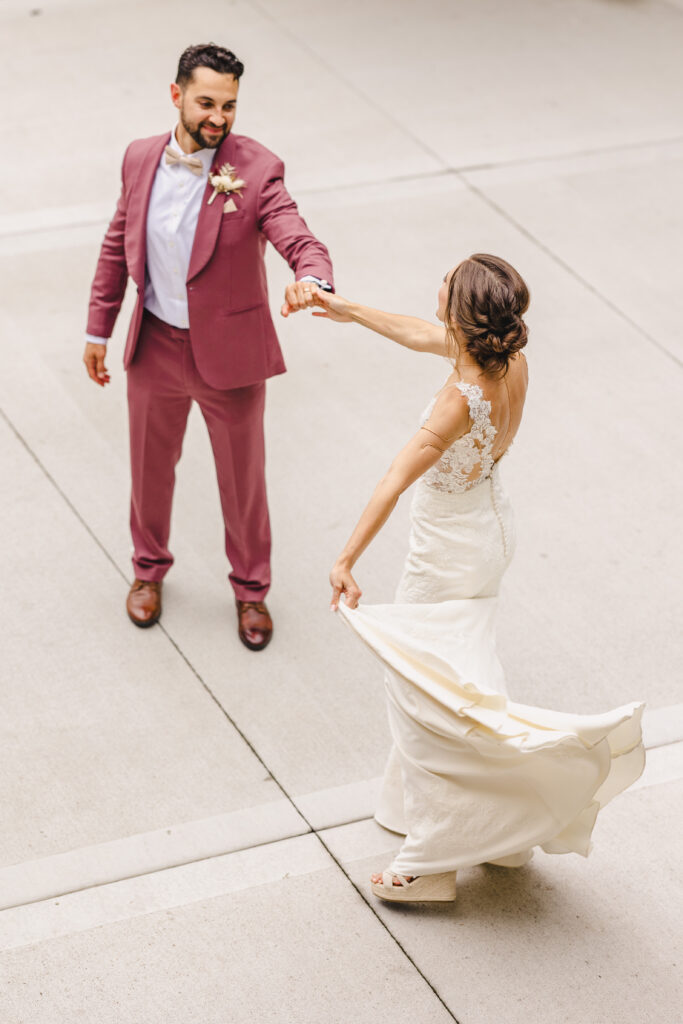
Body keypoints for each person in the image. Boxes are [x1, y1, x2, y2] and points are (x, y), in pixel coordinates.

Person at [295, 255, 644, 903]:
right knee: (463, 678)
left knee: (425, 692)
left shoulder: (458, 400)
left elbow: (392, 481)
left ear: (461, 314)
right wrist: (347, 309)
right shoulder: (505, 358)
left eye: (445, 284)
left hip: (446, 549)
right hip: (487, 529)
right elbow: (420, 335)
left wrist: (343, 560)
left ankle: (433, 862)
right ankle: (498, 831)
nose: (436, 285)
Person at [83, 43, 333, 650]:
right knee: (149, 471)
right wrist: (99, 328)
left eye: (229, 105)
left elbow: (293, 230)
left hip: (230, 357)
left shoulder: (257, 168)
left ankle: (251, 591)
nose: (218, 117)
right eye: (206, 102)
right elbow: (118, 243)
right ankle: (148, 572)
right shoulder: (140, 158)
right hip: (156, 347)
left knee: (242, 482)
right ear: (176, 95)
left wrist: (313, 276)